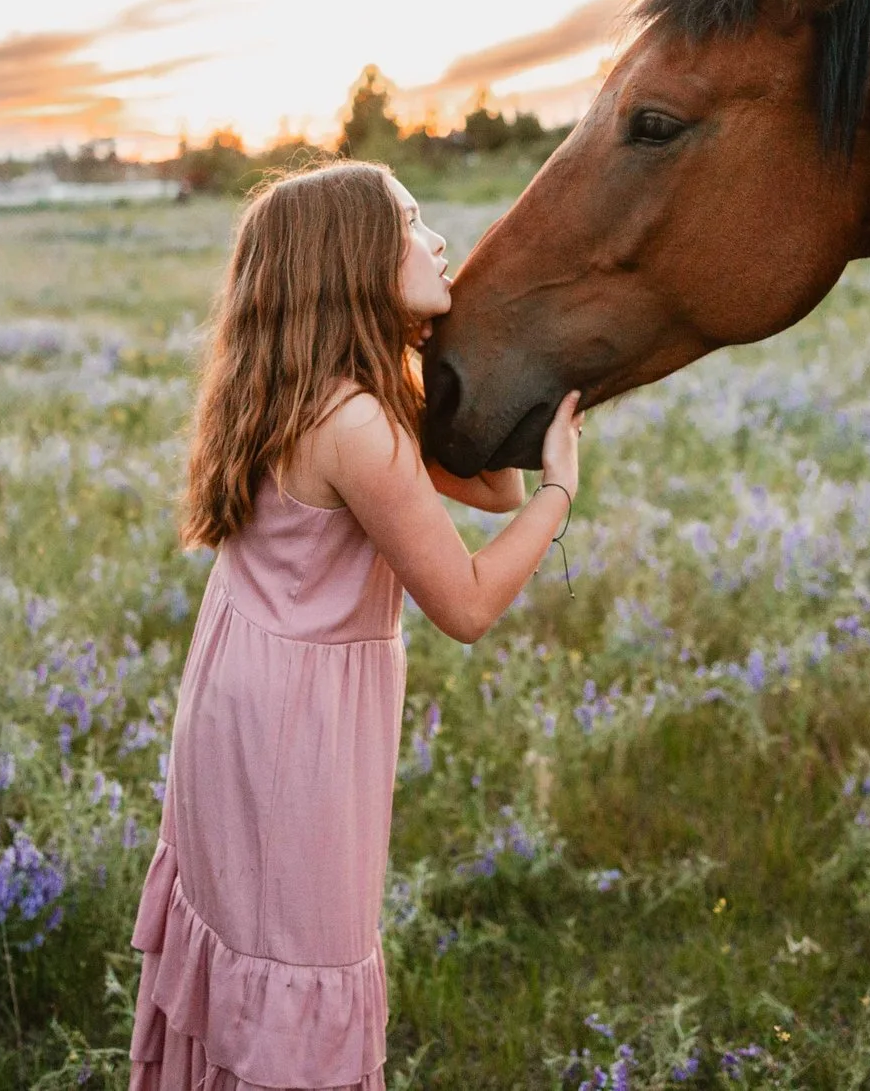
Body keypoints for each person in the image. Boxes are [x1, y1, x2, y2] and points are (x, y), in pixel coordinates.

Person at [129, 160, 583, 1091]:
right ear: (353, 259)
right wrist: (562, 491)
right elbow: (464, 601)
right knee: (300, 956)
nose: (439, 238)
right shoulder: (357, 424)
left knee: (248, 937)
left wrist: (438, 352)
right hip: (298, 735)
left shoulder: (312, 386)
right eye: (412, 223)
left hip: (238, 705)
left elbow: (484, 482)